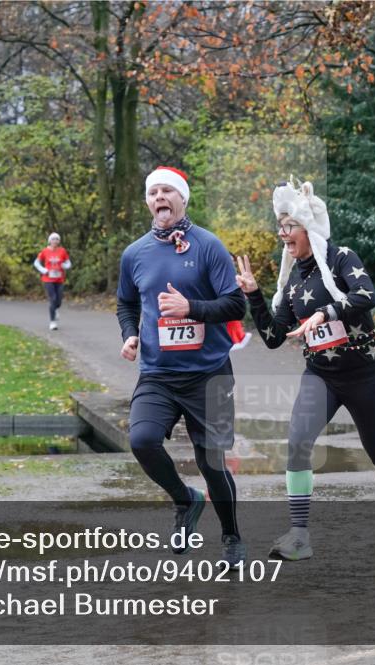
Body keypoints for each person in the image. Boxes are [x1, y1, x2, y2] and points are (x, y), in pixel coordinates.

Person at [236, 178, 375, 561]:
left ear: (309, 227)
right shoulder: (293, 281)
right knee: (297, 443)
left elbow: (366, 295)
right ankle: (299, 535)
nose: (282, 233)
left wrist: (325, 312)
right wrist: (254, 295)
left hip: (364, 375)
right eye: (280, 226)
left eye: (289, 225)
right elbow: (273, 337)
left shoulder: (341, 258)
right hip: (321, 375)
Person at [116, 166, 247, 564]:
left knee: (212, 463)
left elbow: (235, 304)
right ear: (147, 202)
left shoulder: (208, 246)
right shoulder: (134, 254)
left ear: (182, 198)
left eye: (167, 191)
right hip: (158, 374)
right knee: (142, 441)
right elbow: (126, 303)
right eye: (153, 192)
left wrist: (190, 308)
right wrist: (130, 334)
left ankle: (231, 537)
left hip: (208, 373)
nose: (160, 197)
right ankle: (185, 500)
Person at [33, 232, 72, 330]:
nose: (55, 241)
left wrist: (64, 266)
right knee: (53, 299)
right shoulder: (45, 251)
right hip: (48, 279)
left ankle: (56, 309)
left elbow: (68, 263)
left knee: (59, 300)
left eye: (57, 239)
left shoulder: (62, 251)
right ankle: (53, 322)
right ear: (49, 241)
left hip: (59, 279)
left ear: (59, 241)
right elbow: (36, 263)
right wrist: (44, 270)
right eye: (53, 239)